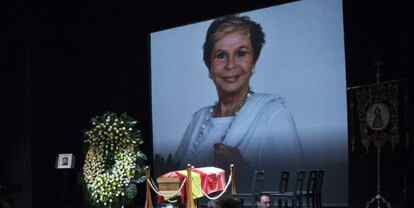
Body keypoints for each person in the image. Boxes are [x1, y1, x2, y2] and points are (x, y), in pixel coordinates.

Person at [173, 14, 305, 187]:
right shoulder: (199, 118)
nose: (230, 65)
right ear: (209, 66)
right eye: (221, 55)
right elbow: (175, 181)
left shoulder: (272, 114)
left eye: (240, 53)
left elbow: (296, 186)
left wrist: (242, 171)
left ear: (254, 62)